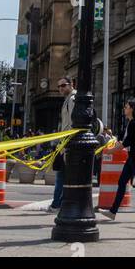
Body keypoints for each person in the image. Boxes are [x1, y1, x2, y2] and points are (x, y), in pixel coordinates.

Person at [100, 99, 135, 222]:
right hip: (133, 157)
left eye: (126, 107)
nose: (124, 109)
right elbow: (126, 141)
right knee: (122, 182)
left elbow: (126, 143)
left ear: (132, 108)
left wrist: (110, 151)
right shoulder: (133, 122)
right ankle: (112, 212)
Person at [49, 76, 77, 212]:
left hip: (68, 143)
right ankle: (60, 203)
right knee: (64, 175)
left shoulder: (72, 100)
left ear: (71, 85)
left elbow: (72, 124)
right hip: (64, 142)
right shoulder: (68, 100)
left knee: (61, 175)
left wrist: (66, 146)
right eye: (59, 86)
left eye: (63, 85)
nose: (60, 88)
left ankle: (57, 204)